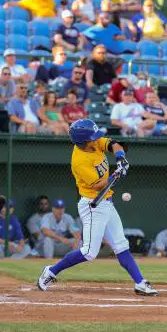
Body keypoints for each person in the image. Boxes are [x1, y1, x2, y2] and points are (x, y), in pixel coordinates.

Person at [37, 119, 157, 296]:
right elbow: (98, 185)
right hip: (93, 205)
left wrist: (120, 158)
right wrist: (116, 174)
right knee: (89, 252)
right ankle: (51, 271)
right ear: (83, 141)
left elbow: (114, 144)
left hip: (107, 203)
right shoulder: (79, 161)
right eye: (92, 137)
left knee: (121, 245)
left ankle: (140, 283)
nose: (96, 139)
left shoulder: (93, 142)